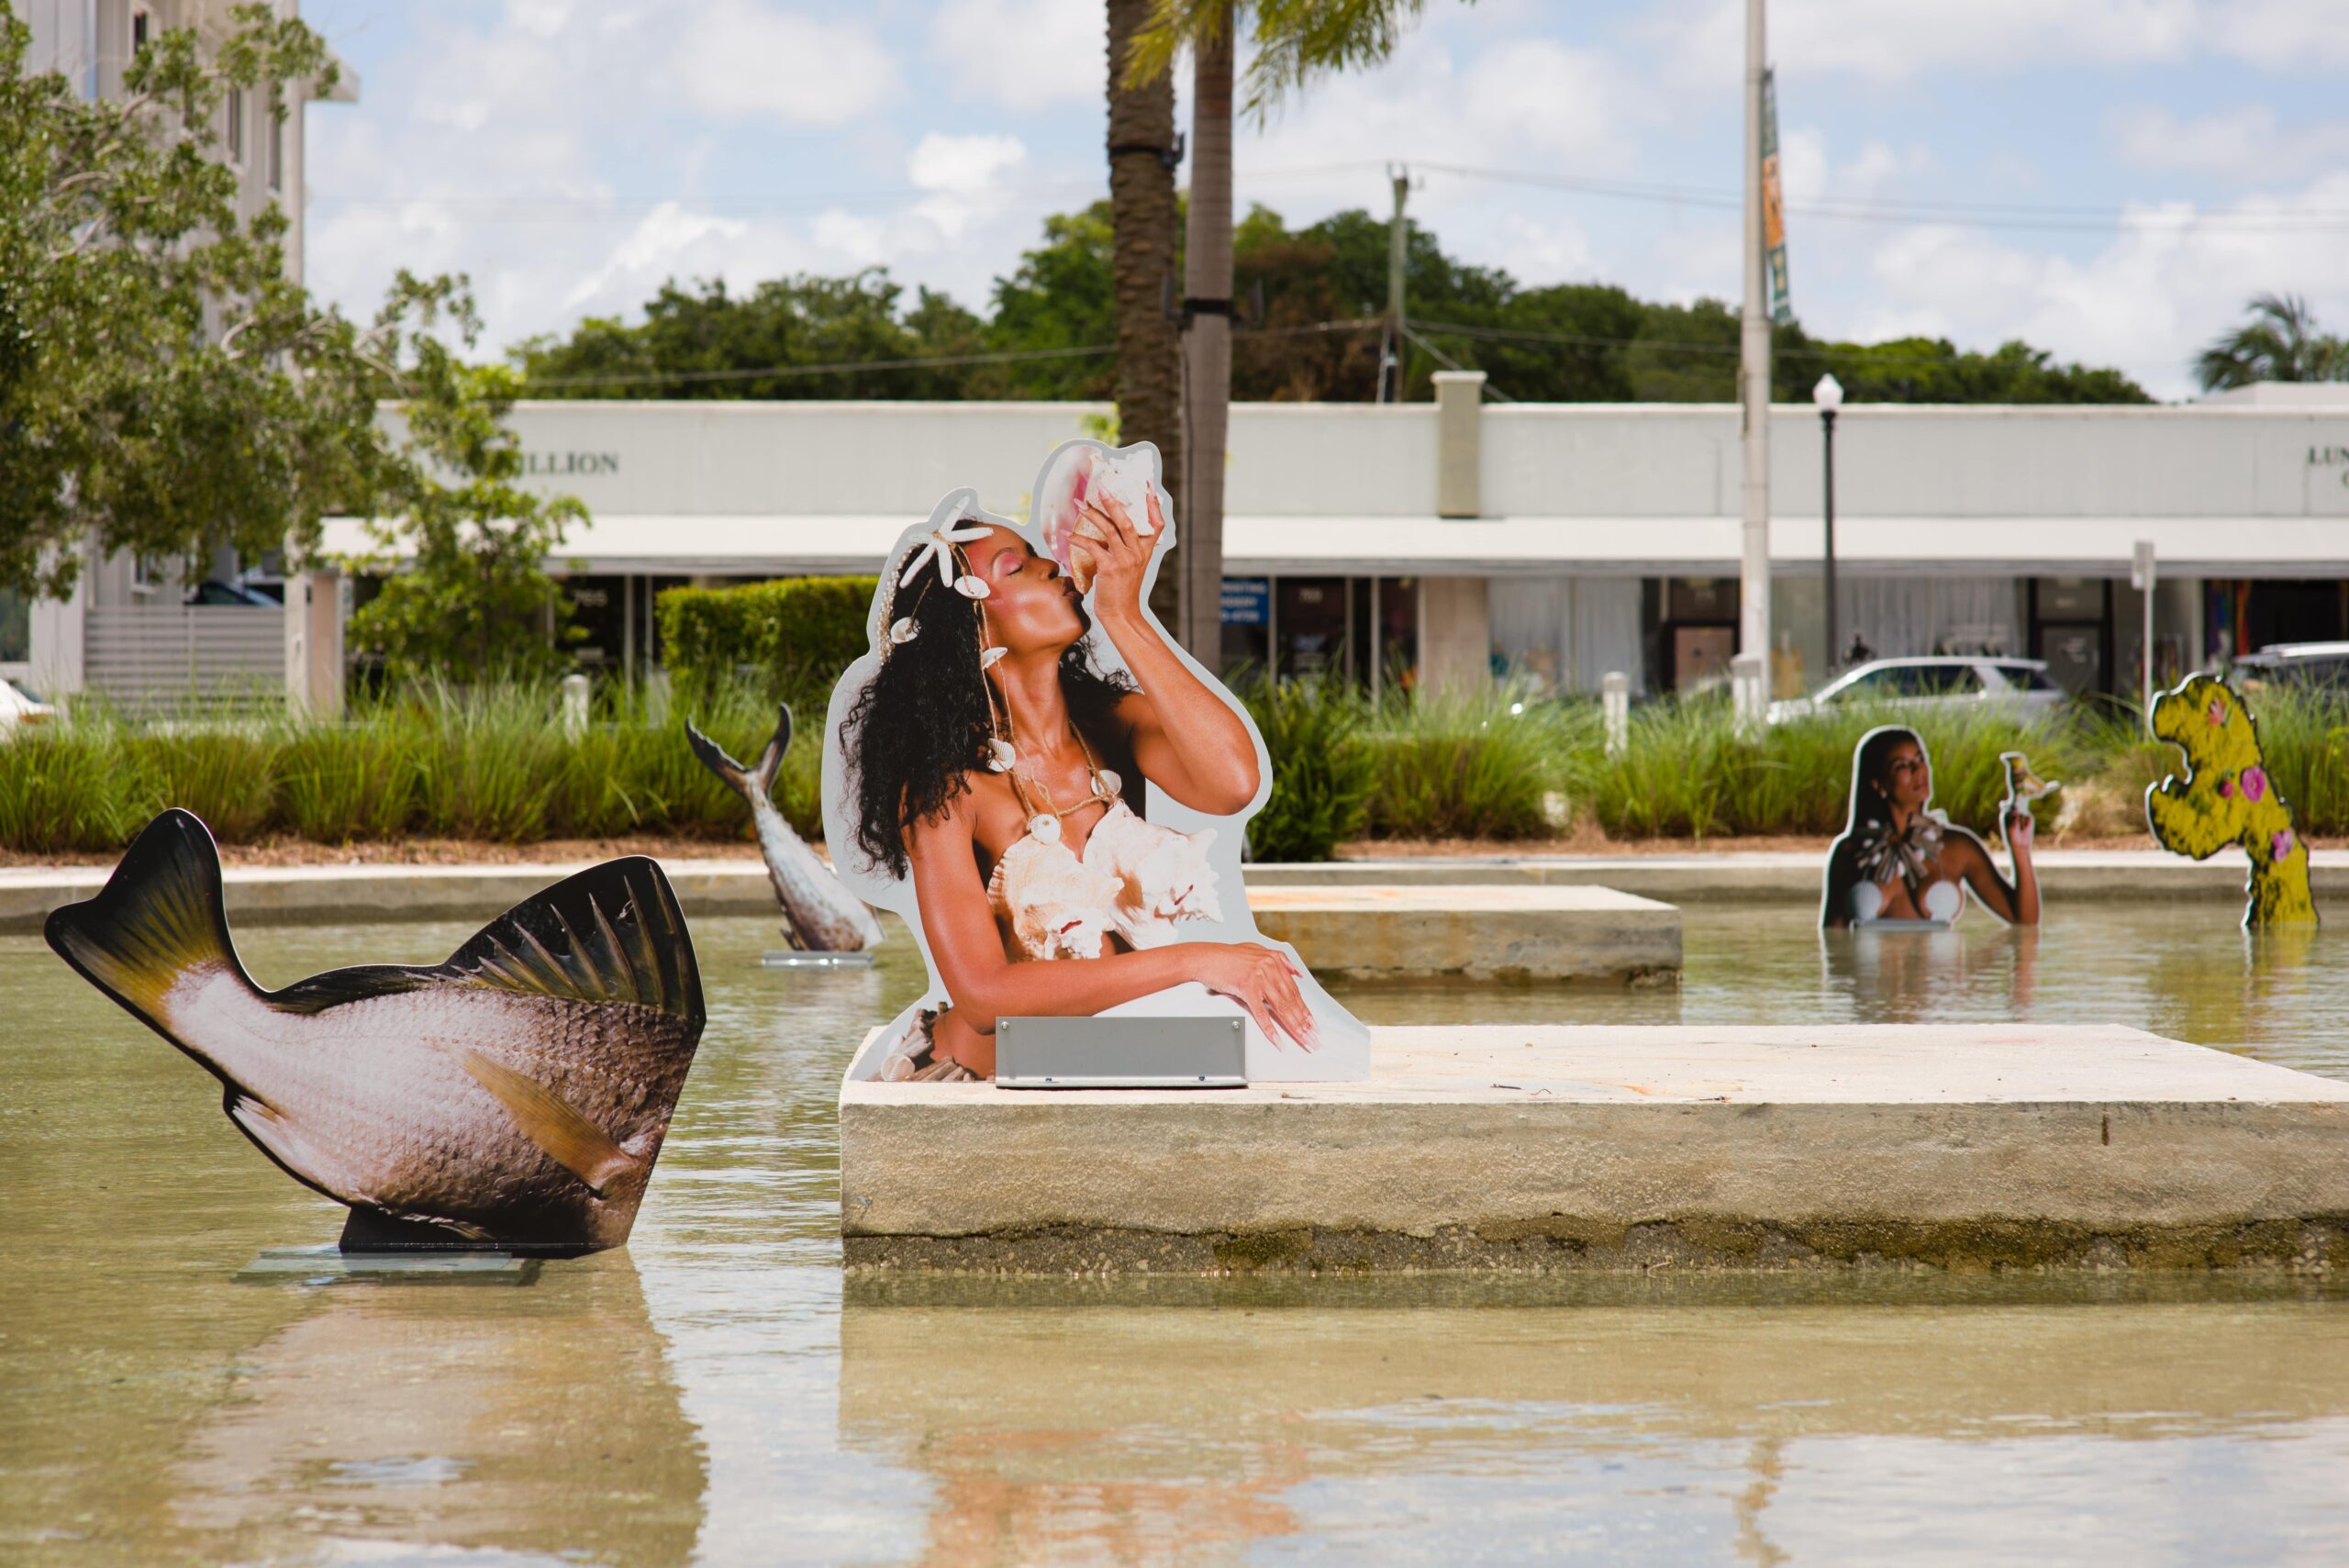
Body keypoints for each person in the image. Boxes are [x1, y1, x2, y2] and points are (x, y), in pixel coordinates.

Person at [840, 484, 1319, 1081]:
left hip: (1111, 1072)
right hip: (977, 1089)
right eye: (1016, 566)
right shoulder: (946, 790)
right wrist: (1197, 960)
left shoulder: (1108, 725)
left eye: (1038, 554)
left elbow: (1235, 782)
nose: (1050, 564)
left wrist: (1125, 613)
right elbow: (985, 997)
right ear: (973, 627)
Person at [1820, 727, 2039, 929]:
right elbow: (1832, 939)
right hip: (1871, 971)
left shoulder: (1957, 847)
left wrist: (2019, 850)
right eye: (1902, 765)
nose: (1919, 770)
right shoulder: (1852, 851)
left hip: (1940, 970)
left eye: (1920, 759)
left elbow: (2023, 920)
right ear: (1879, 784)